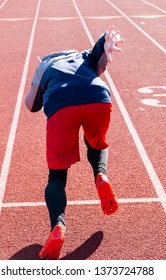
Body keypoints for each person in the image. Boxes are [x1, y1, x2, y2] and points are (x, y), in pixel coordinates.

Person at [25, 26, 124, 260]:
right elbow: (101, 45)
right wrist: (107, 41)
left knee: (57, 177)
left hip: (61, 105)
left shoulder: (45, 65)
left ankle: (58, 227)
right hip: (98, 97)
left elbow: (31, 106)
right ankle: (101, 175)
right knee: (96, 144)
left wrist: (37, 78)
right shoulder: (83, 55)